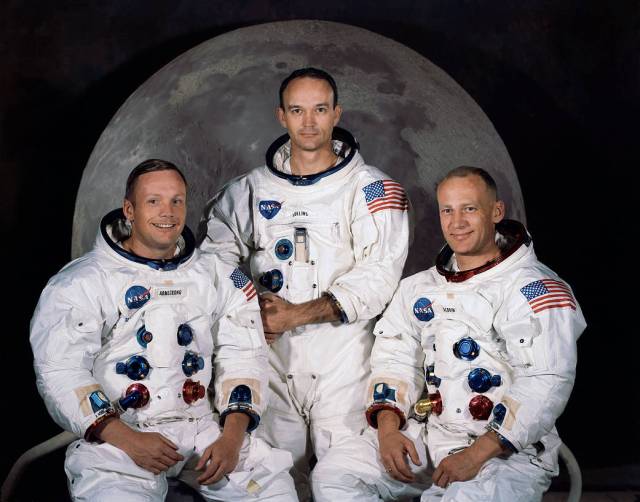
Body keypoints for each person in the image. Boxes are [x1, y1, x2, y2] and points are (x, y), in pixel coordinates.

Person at [311, 166, 586, 502]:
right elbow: (394, 358)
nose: (456, 223)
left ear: (496, 212)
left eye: (469, 209)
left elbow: (547, 379)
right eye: (447, 210)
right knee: (336, 476)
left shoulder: (535, 289)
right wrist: (388, 430)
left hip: (505, 453)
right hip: (433, 436)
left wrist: (476, 454)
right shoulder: (418, 289)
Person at [30, 159, 297, 501]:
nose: (167, 212)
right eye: (153, 201)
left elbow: (244, 355)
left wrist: (231, 439)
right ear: (129, 209)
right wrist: (128, 440)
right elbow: (62, 370)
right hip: (121, 436)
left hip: (203, 429)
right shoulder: (80, 282)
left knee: (276, 492)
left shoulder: (220, 276)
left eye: (176, 200)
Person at [199, 68, 410, 499]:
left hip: (344, 356)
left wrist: (297, 314)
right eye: (298, 110)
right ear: (281, 116)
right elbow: (216, 260)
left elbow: (379, 274)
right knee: (272, 474)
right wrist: (253, 300)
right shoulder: (247, 192)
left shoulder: (371, 189)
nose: (308, 122)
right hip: (271, 353)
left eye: (319, 110)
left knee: (344, 476)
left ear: (336, 114)